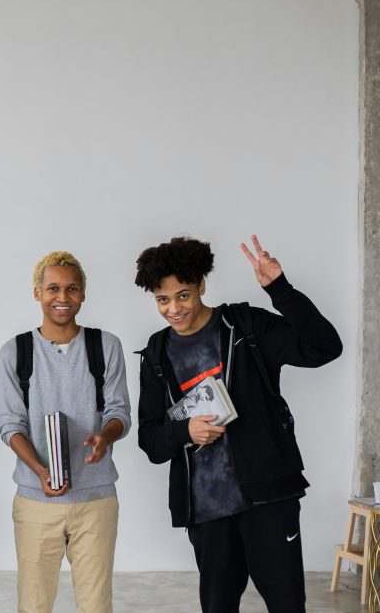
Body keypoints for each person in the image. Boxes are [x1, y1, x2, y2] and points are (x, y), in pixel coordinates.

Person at [135, 235, 343, 613]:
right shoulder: (156, 353)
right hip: (206, 508)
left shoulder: (245, 326)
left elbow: (325, 347)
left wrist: (279, 289)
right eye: (162, 300)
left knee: (286, 604)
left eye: (182, 295)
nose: (173, 309)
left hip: (267, 498)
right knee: (217, 607)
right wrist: (186, 432)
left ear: (201, 285)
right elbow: (149, 441)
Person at [0, 251, 131, 613]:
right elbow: (10, 425)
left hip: (96, 499)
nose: (62, 297)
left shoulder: (106, 346)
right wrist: (40, 470)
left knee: (96, 604)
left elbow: (119, 412)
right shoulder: (16, 351)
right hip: (36, 502)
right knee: (35, 604)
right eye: (53, 288)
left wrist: (107, 435)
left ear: (83, 294)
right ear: (37, 293)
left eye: (72, 289)